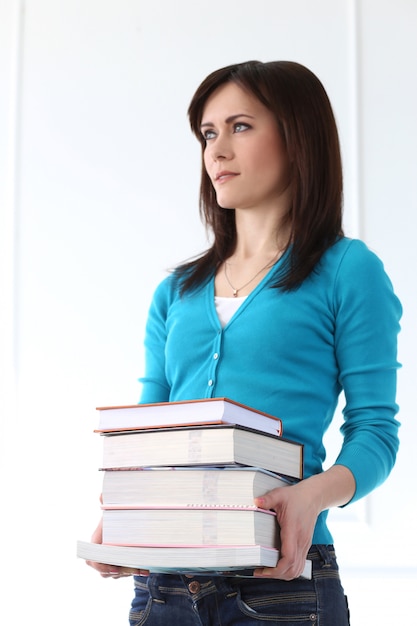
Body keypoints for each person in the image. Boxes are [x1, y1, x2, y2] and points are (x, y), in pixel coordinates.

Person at [87, 60, 402, 625]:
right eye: (208, 134)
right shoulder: (176, 292)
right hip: (163, 584)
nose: (216, 151)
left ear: (297, 137)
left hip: (280, 579)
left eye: (240, 126)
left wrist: (311, 496)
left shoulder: (348, 271)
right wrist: (126, 510)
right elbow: (148, 431)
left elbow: (376, 431)